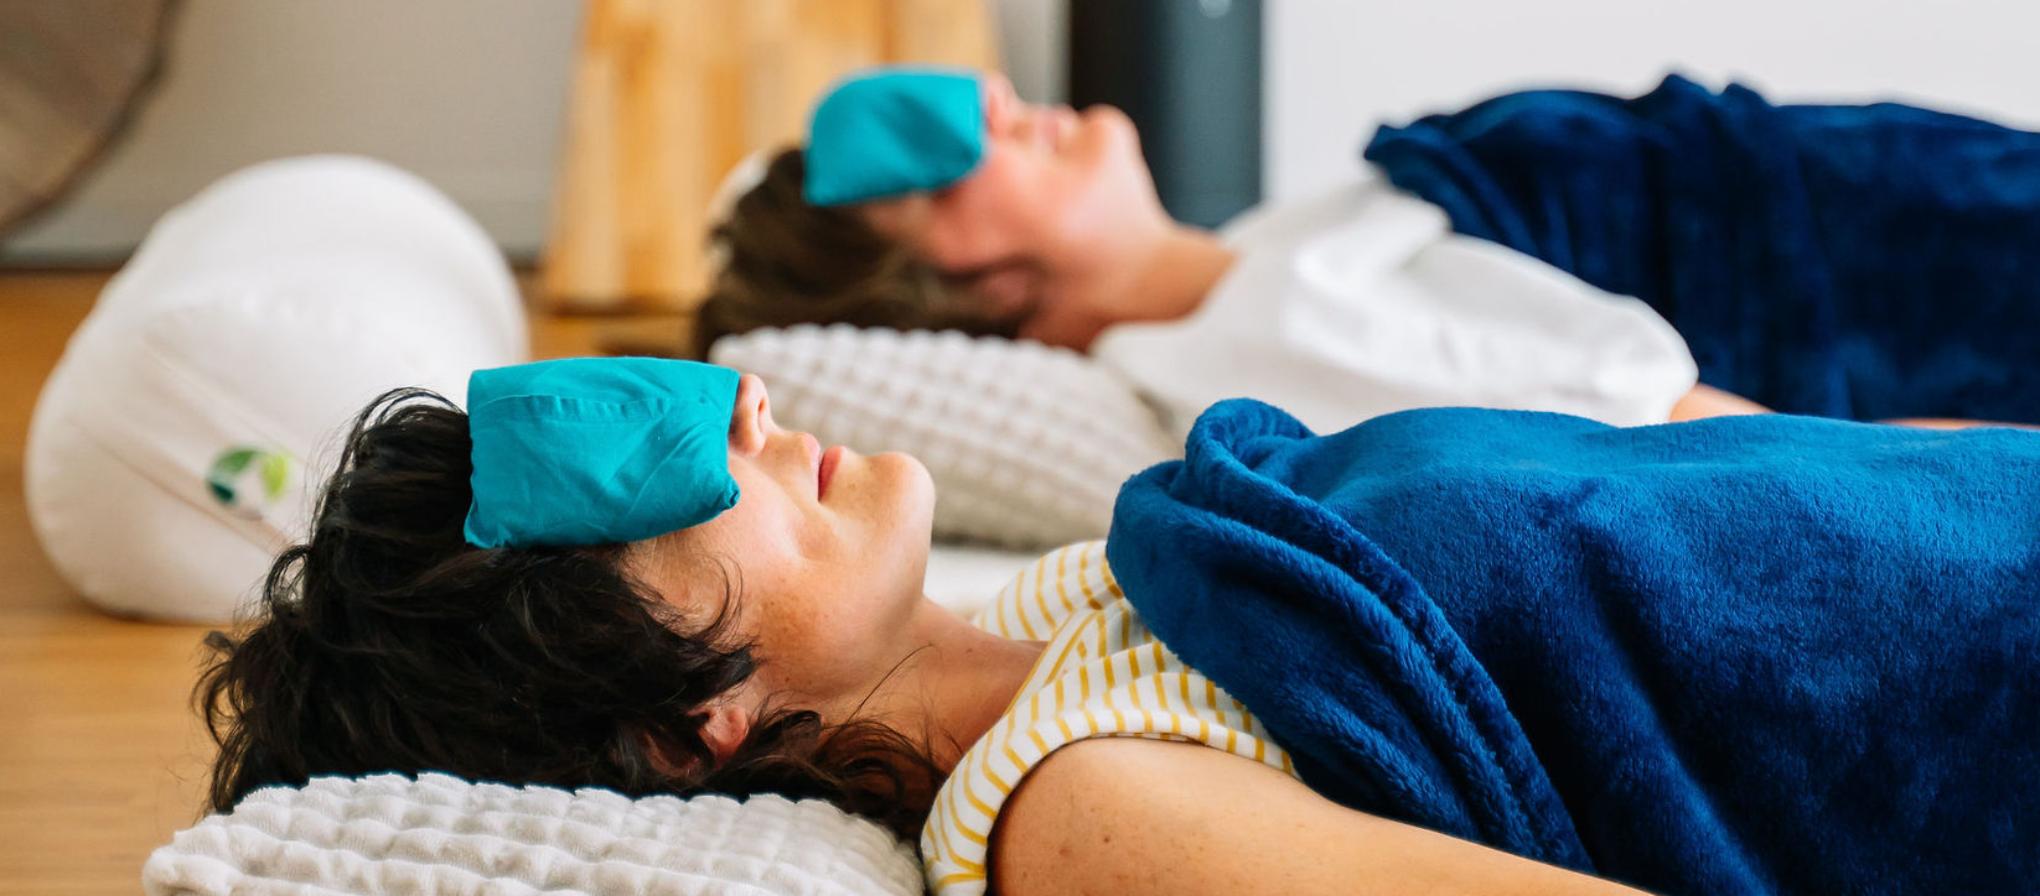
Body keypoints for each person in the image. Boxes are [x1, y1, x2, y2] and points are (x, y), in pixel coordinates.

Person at [202, 369, 2040, 896]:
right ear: (689, 726)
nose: (742, 403)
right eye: (648, 473)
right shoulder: (1079, 829)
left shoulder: (1075, 599)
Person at [694, 70, 1771, 435]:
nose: (993, 101)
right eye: (939, 174)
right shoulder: (1255, 337)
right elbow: (1658, 427)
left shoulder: (1269, 250)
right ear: (945, 292)